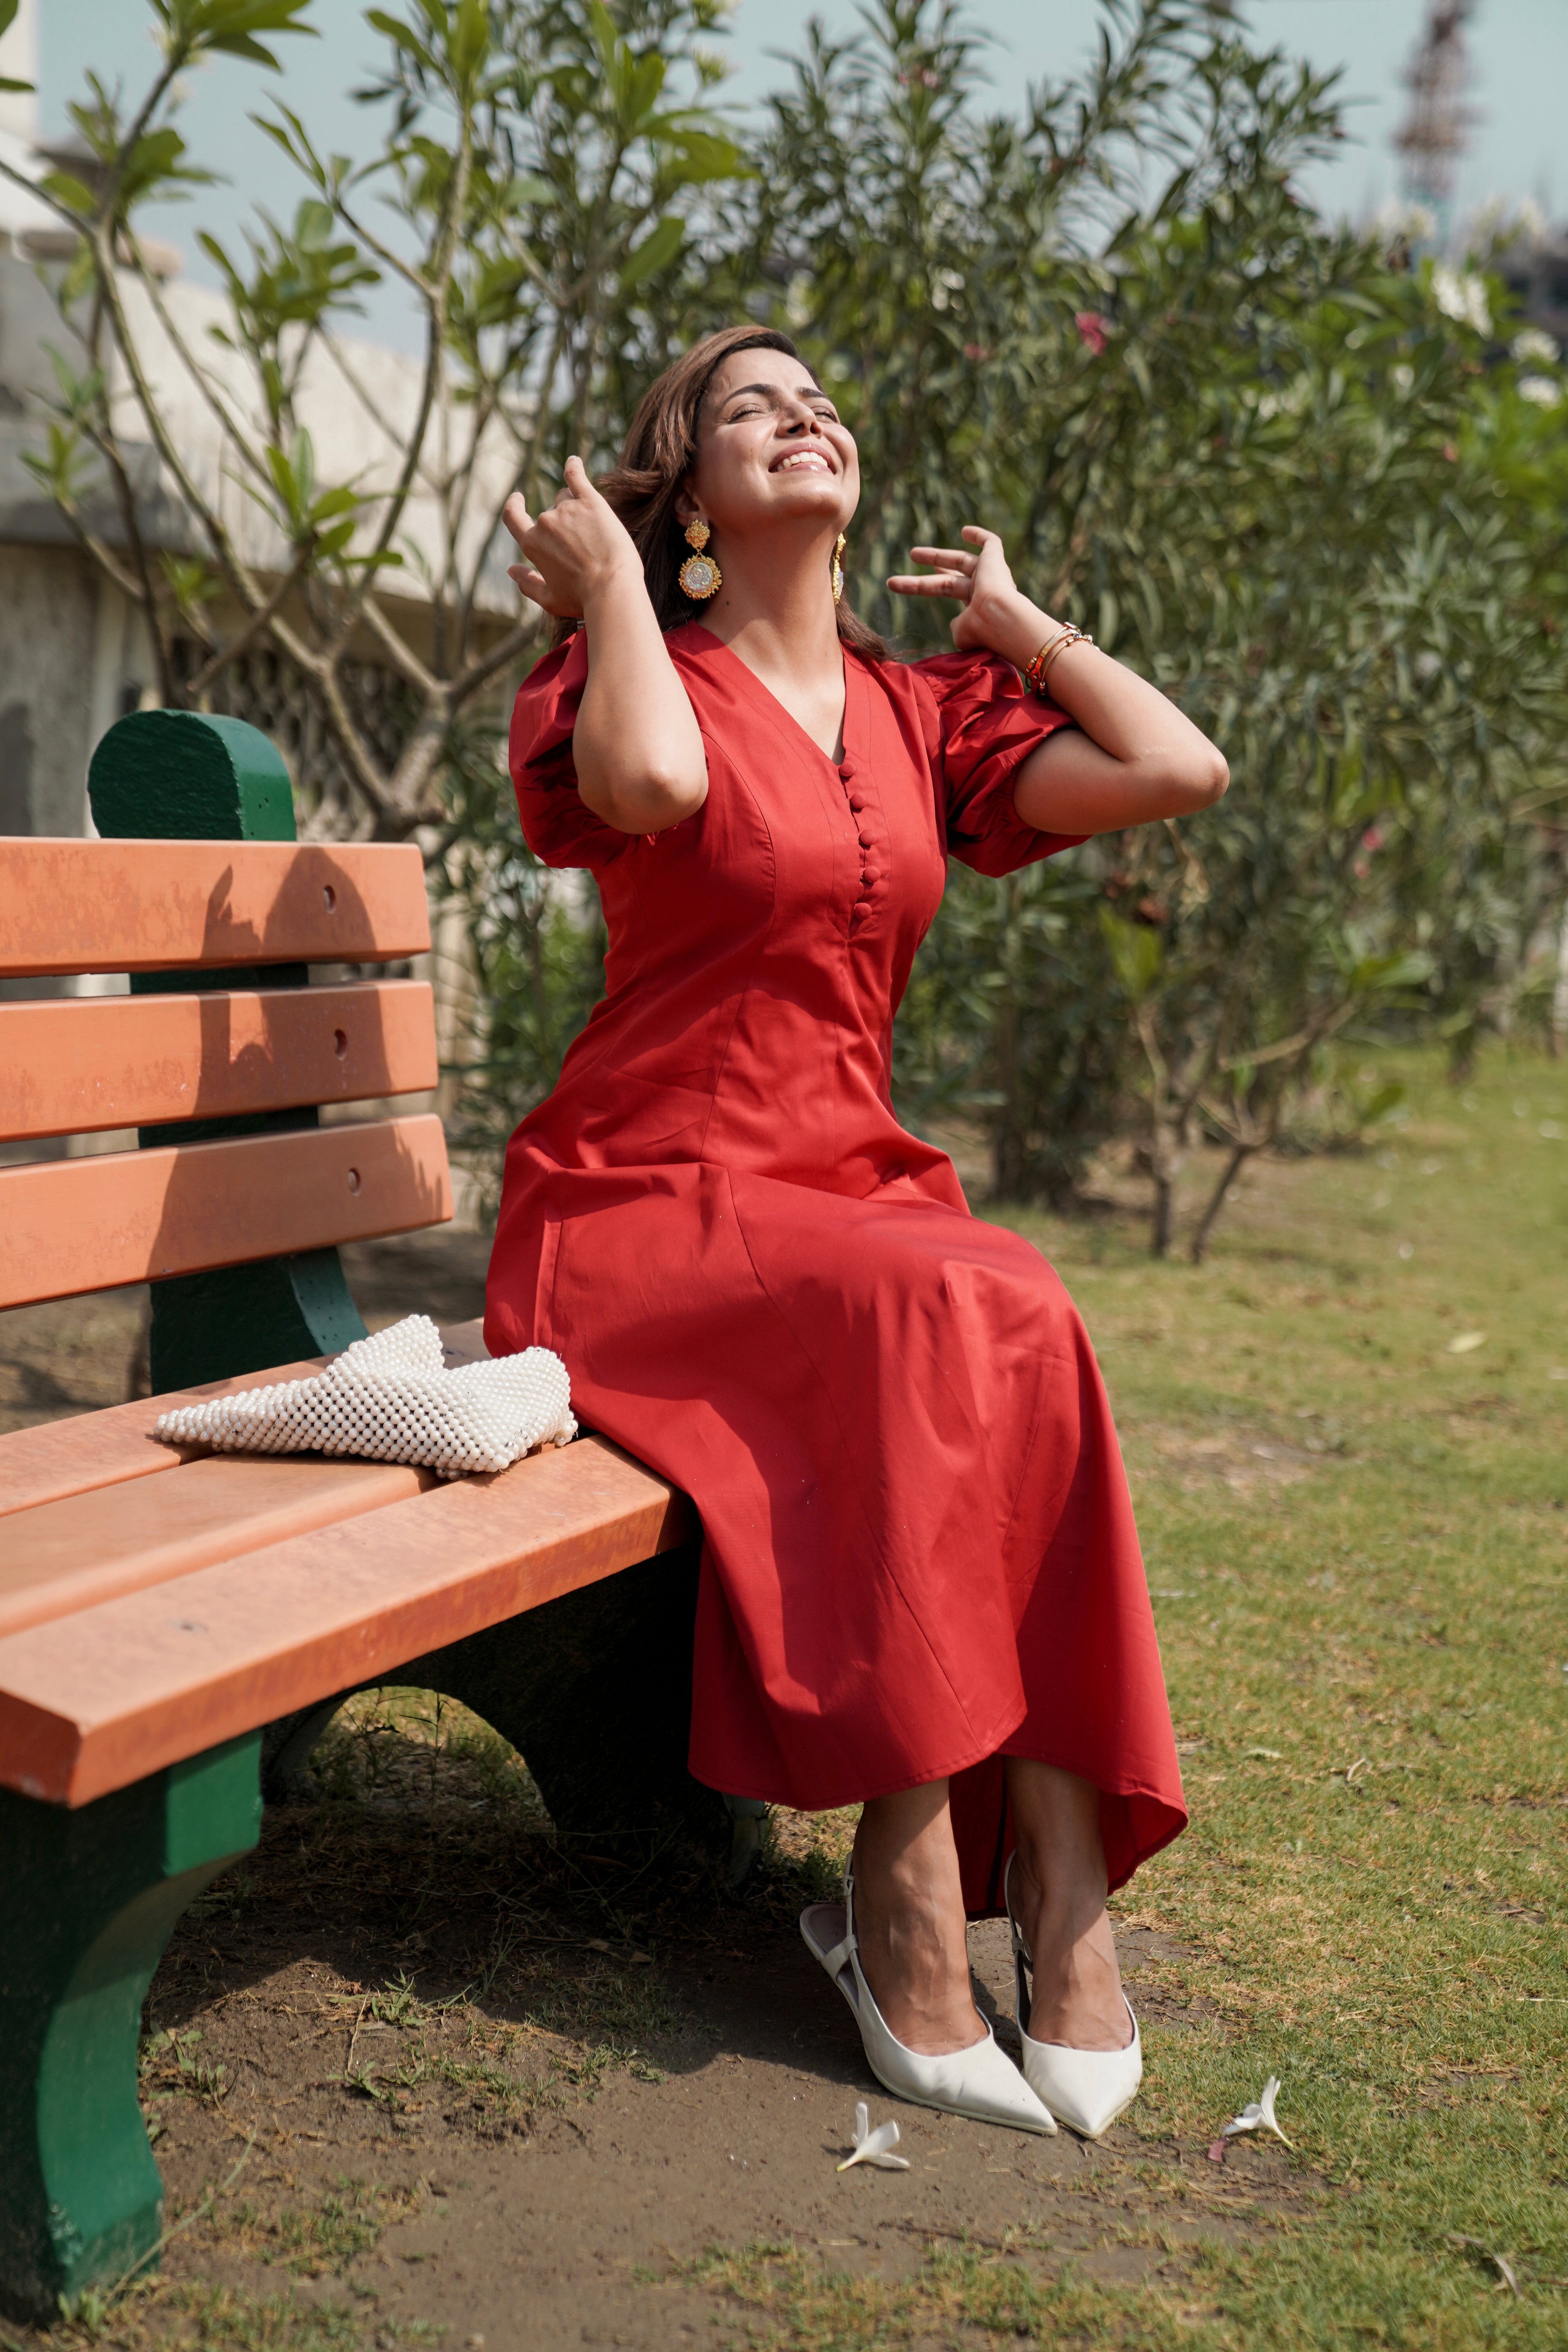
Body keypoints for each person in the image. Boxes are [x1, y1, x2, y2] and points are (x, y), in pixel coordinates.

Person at [486, 325, 1227, 2140]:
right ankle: (906, 1874)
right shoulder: (612, 674)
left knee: (1017, 1302)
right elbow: (655, 790)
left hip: (845, 1192)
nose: (808, 412)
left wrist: (1021, 629)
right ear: (690, 501)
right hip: (641, 1200)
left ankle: (1055, 1878)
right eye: (755, 408)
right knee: (936, 1305)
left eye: (823, 397)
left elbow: (1179, 770)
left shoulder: (924, 711)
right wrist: (619, 598)